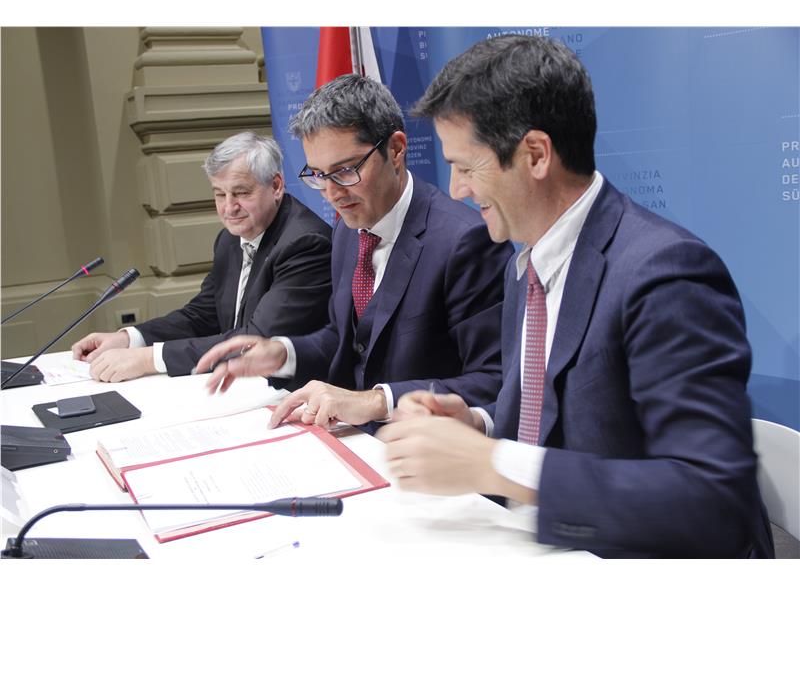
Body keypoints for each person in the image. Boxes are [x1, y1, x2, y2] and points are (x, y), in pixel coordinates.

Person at [379, 34, 774, 558]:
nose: (456, 189)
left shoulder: (665, 273)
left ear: (536, 154)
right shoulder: (524, 264)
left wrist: (491, 464)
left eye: (467, 167)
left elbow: (710, 503)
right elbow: (550, 415)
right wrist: (476, 425)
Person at [194, 74, 513, 430]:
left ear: (396, 150)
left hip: (428, 446)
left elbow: (494, 380)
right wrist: (284, 353)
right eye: (318, 175)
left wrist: (377, 401)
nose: (331, 193)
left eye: (345, 171)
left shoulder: (465, 241)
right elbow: (346, 339)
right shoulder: (348, 231)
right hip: (353, 439)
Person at [71, 131, 332, 381]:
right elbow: (203, 315)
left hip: (294, 392)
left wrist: (149, 359)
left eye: (241, 193)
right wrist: (130, 338)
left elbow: (257, 340)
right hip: (239, 383)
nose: (229, 207)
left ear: (276, 186)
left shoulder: (305, 243)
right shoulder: (229, 239)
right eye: (219, 194)